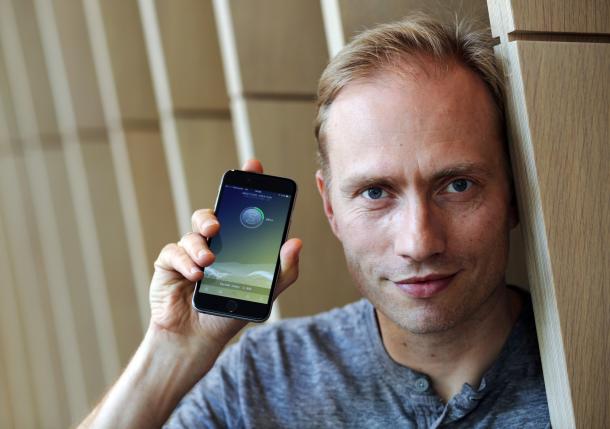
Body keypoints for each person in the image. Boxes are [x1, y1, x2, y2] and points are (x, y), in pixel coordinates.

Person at [80, 14, 551, 428]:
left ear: (512, 190)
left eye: (458, 185)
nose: (420, 242)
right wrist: (171, 352)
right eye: (374, 193)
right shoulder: (260, 381)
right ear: (331, 209)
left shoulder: (586, 363)